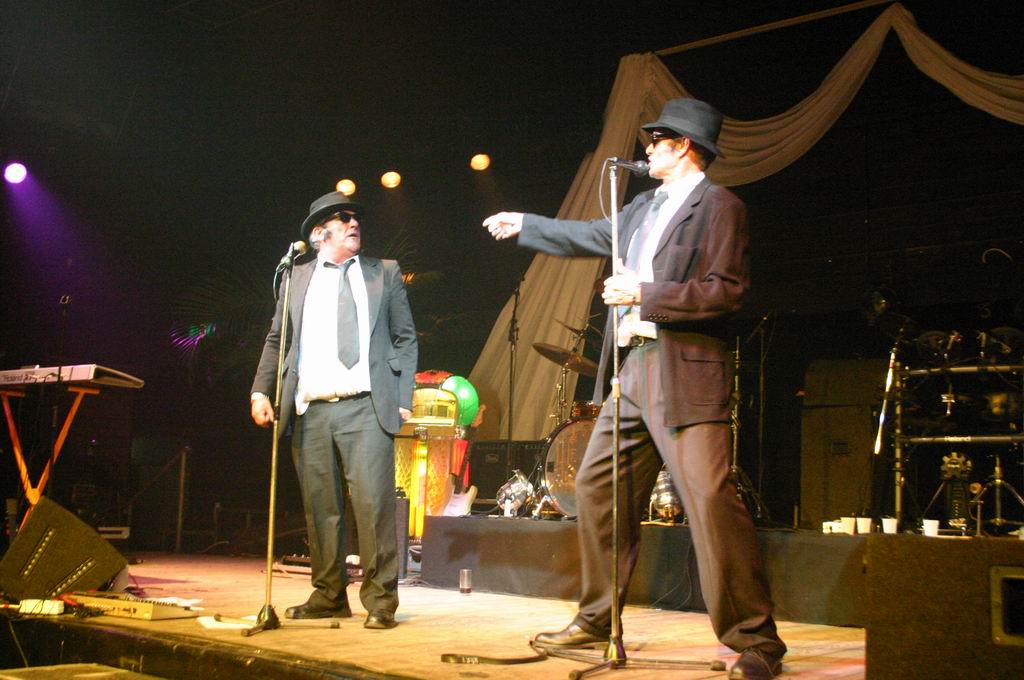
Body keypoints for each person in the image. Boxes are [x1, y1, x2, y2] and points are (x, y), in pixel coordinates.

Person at [483, 98, 786, 679]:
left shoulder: (720, 206)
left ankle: (757, 642)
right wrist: (528, 225)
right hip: (633, 370)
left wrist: (645, 295)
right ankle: (597, 617)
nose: (647, 148)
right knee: (597, 486)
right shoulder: (643, 206)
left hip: (685, 370)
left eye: (657, 140)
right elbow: (591, 234)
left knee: (709, 498)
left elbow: (726, 290)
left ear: (685, 146)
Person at [251, 191, 417, 630]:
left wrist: (403, 397)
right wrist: (260, 391)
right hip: (312, 410)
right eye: (343, 218)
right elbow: (278, 339)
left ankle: (380, 602)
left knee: (373, 507)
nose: (353, 223)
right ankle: (328, 595)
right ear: (318, 234)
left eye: (355, 217)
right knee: (321, 508)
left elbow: (405, 338)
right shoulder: (296, 277)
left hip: (366, 407)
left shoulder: (384, 273)